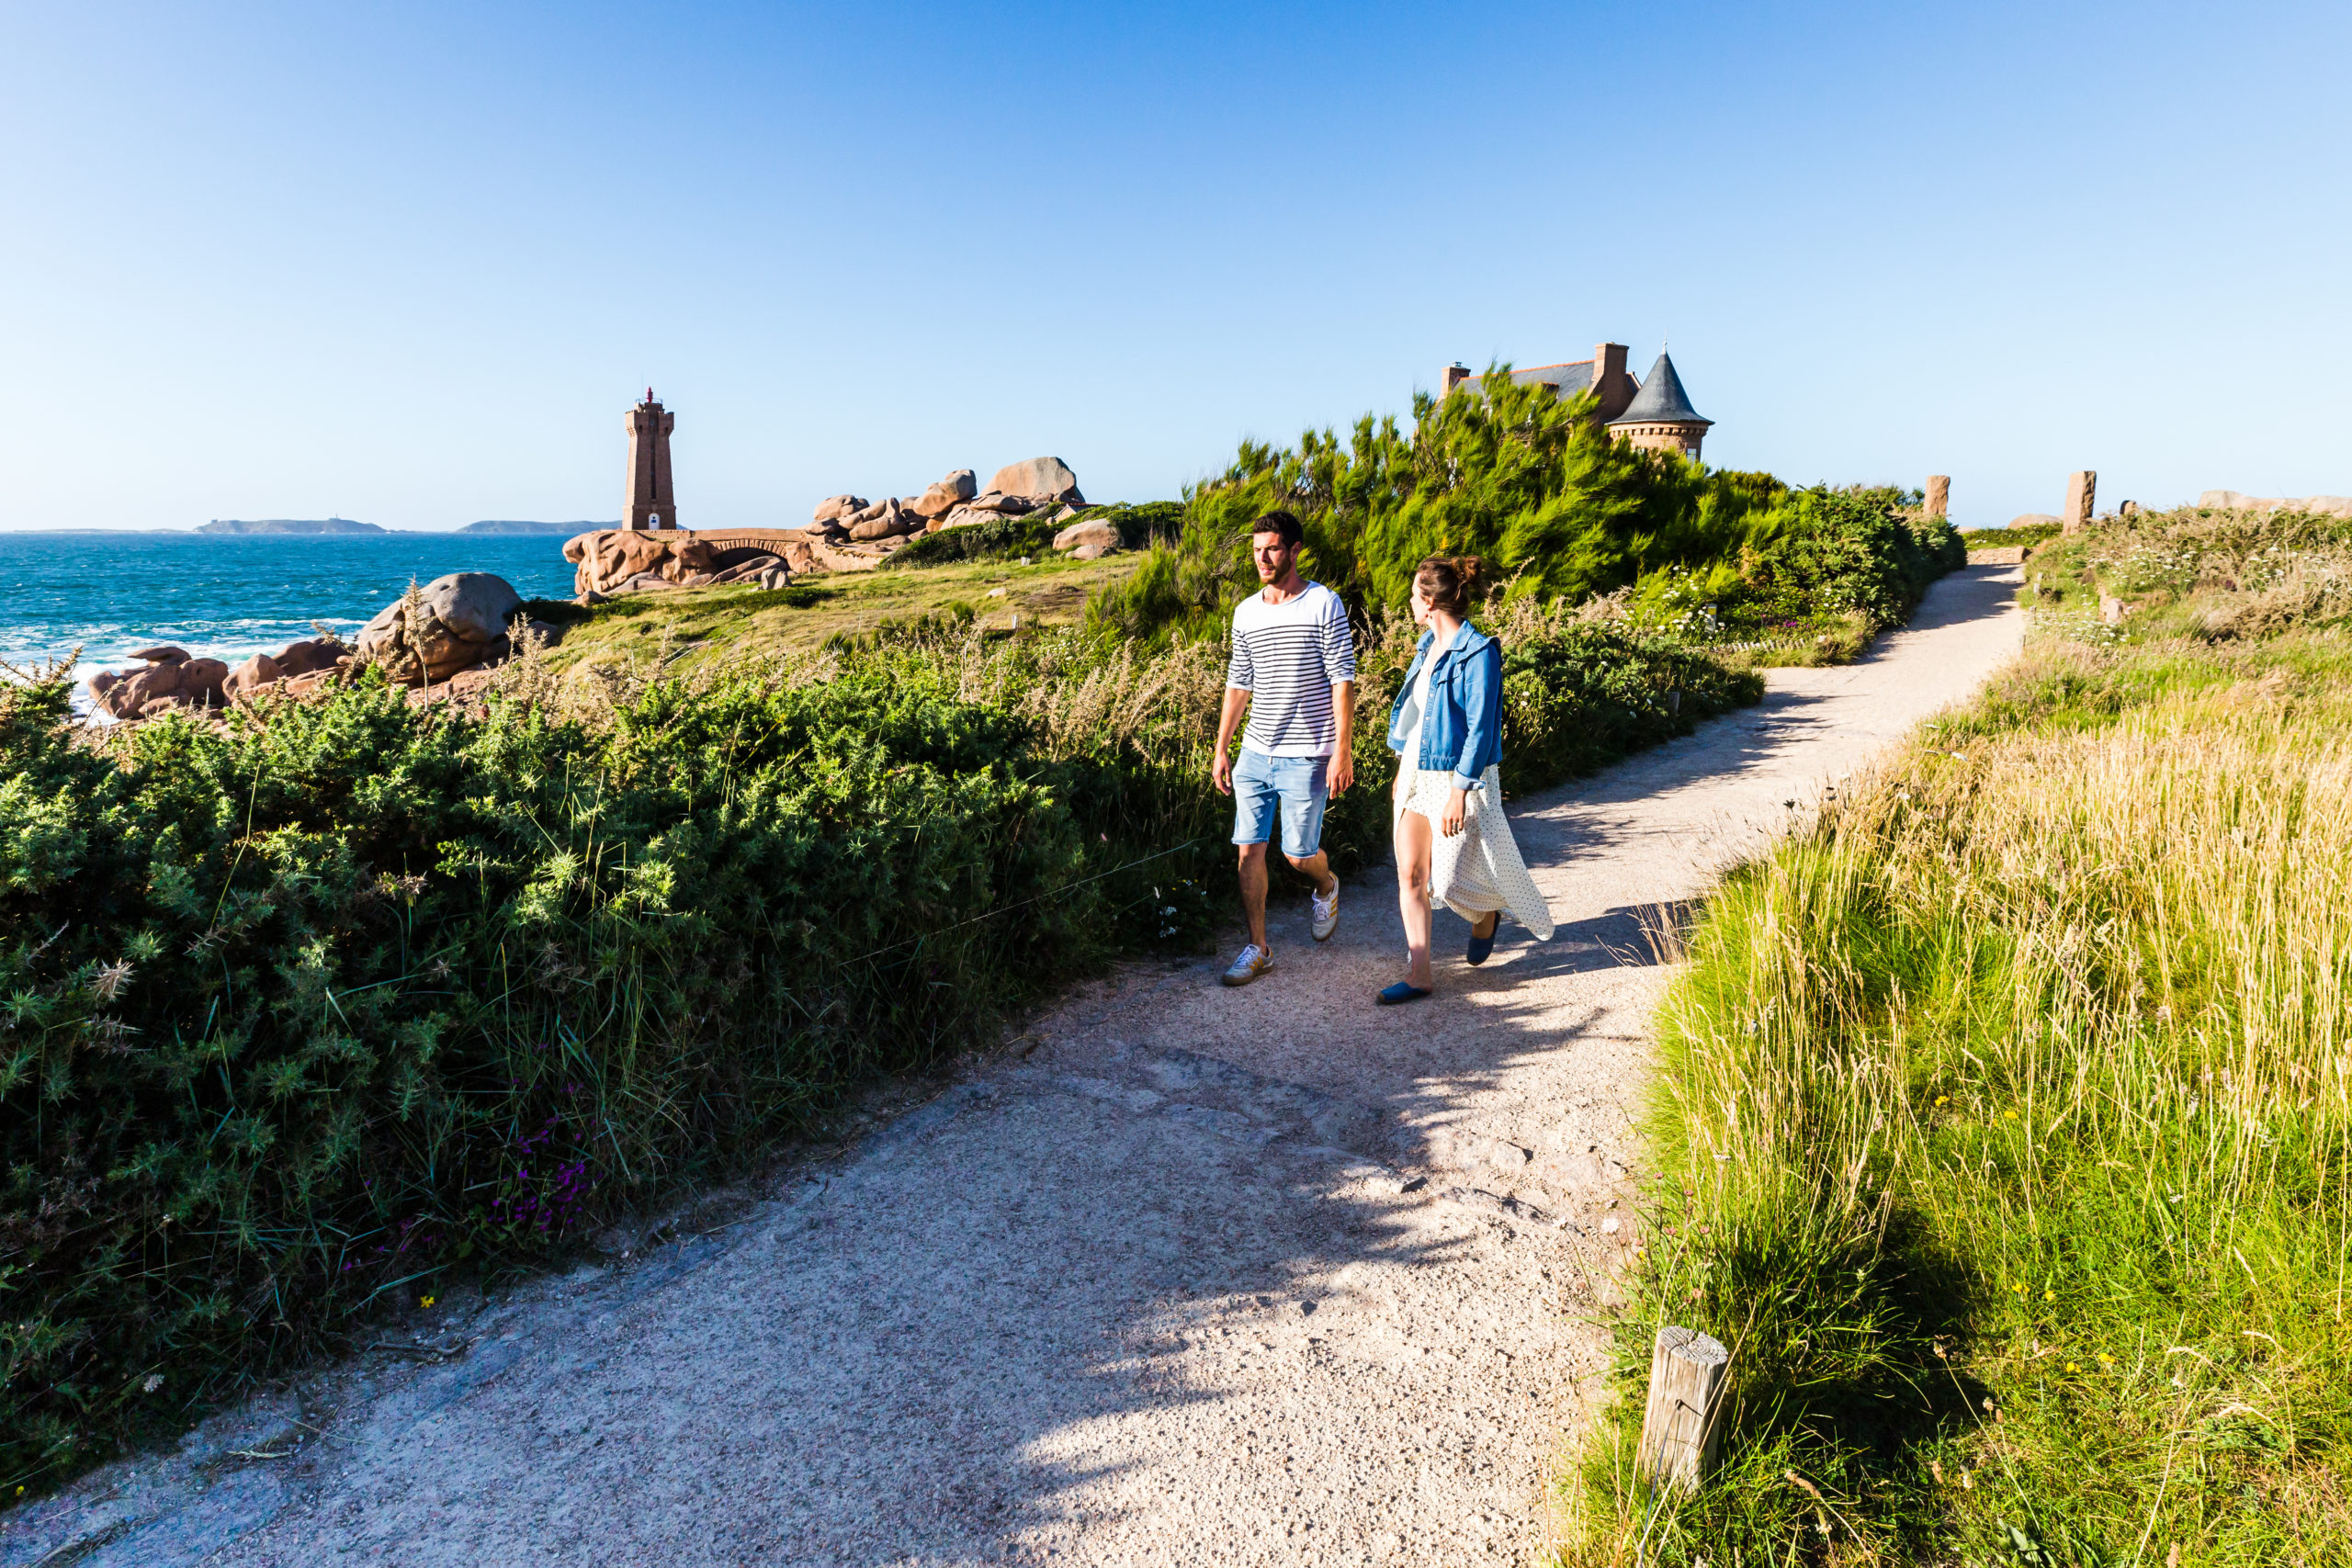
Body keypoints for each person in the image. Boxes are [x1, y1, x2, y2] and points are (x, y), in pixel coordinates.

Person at [1378, 557, 1555, 1004]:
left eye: (1414, 594)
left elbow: (1481, 728)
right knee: (1410, 874)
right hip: (1418, 773)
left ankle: (1486, 914)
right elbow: (1416, 718)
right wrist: (1402, 770)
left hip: (1459, 777)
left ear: (1431, 601)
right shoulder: (1425, 647)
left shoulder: (1480, 653)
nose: (1410, 602)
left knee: (1452, 879)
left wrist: (1459, 791)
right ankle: (1420, 974)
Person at [1211, 510, 1357, 987]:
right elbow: (1238, 683)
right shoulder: (1246, 612)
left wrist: (1342, 750)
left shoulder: (1323, 604)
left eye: (1272, 548)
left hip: (1308, 752)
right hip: (1256, 751)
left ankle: (1326, 883)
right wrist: (1222, 747)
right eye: (1256, 549)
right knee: (1248, 851)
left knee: (1297, 855)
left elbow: (1342, 681)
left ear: (1294, 550)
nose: (1262, 557)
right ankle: (1258, 948)